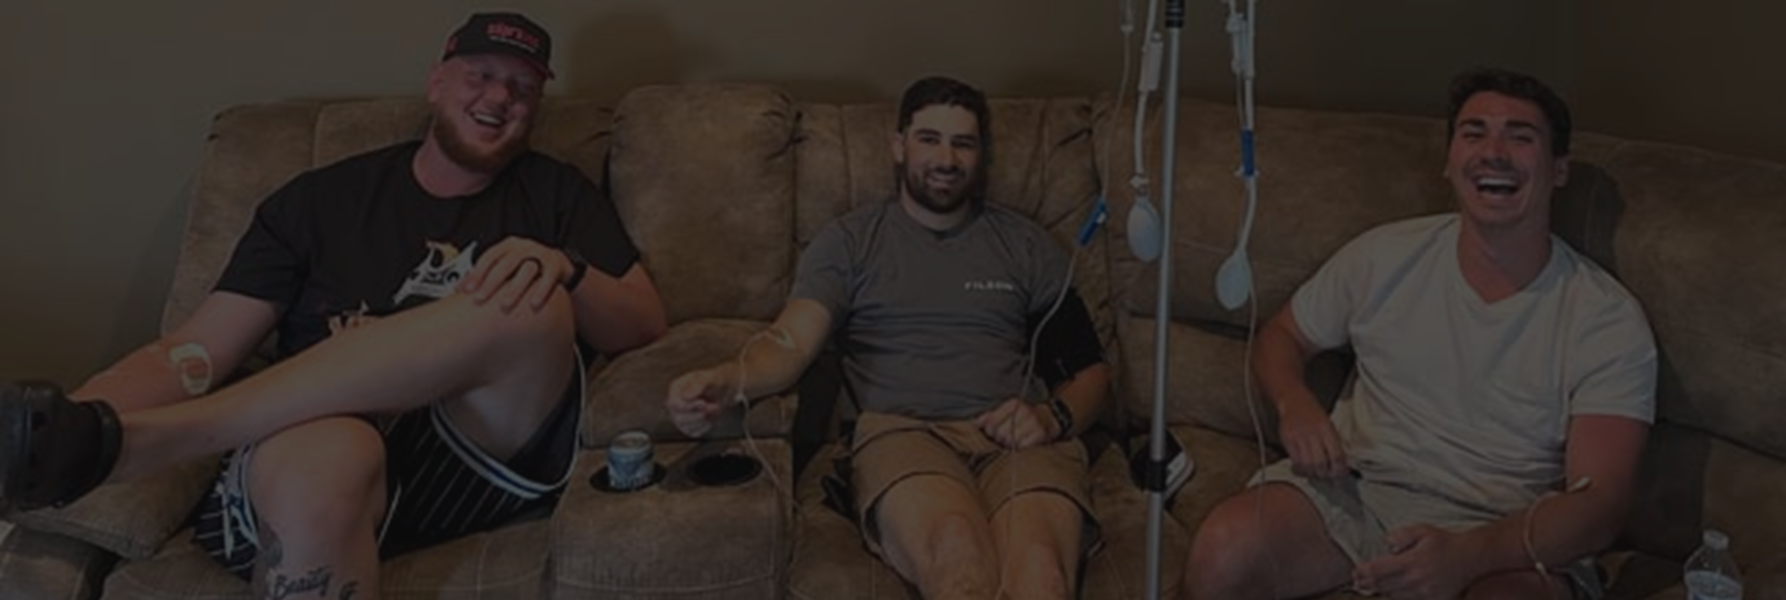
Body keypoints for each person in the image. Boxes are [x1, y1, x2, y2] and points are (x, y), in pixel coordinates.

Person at [0, 12, 667, 599]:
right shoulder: (318, 201)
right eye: (481, 74)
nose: (500, 97)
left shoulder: (555, 194)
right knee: (328, 460)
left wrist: (565, 267)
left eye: (523, 86)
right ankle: (127, 436)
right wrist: (72, 425)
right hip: (316, 443)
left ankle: (171, 438)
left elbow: (643, 323)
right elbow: (195, 352)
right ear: (437, 80)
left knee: (528, 296)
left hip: (478, 453)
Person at [1183, 67, 1656, 600]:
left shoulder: (1606, 320)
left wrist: (1465, 557)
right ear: (1449, 160)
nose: (1493, 152)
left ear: (1559, 170)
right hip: (1358, 490)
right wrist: (1295, 402)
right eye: (1473, 133)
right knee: (1225, 550)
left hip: (1507, 526)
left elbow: (1600, 507)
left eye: (1520, 137)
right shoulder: (1382, 256)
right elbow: (1281, 337)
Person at [666, 76, 1109, 600]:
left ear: (980, 154)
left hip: (1016, 439)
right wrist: (726, 379)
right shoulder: (849, 243)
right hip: (904, 434)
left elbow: (1091, 372)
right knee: (957, 551)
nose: (946, 158)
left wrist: (1049, 418)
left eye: (963, 143)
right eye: (929, 138)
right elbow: (789, 342)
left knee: (1040, 573)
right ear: (898, 146)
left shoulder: (1026, 246)